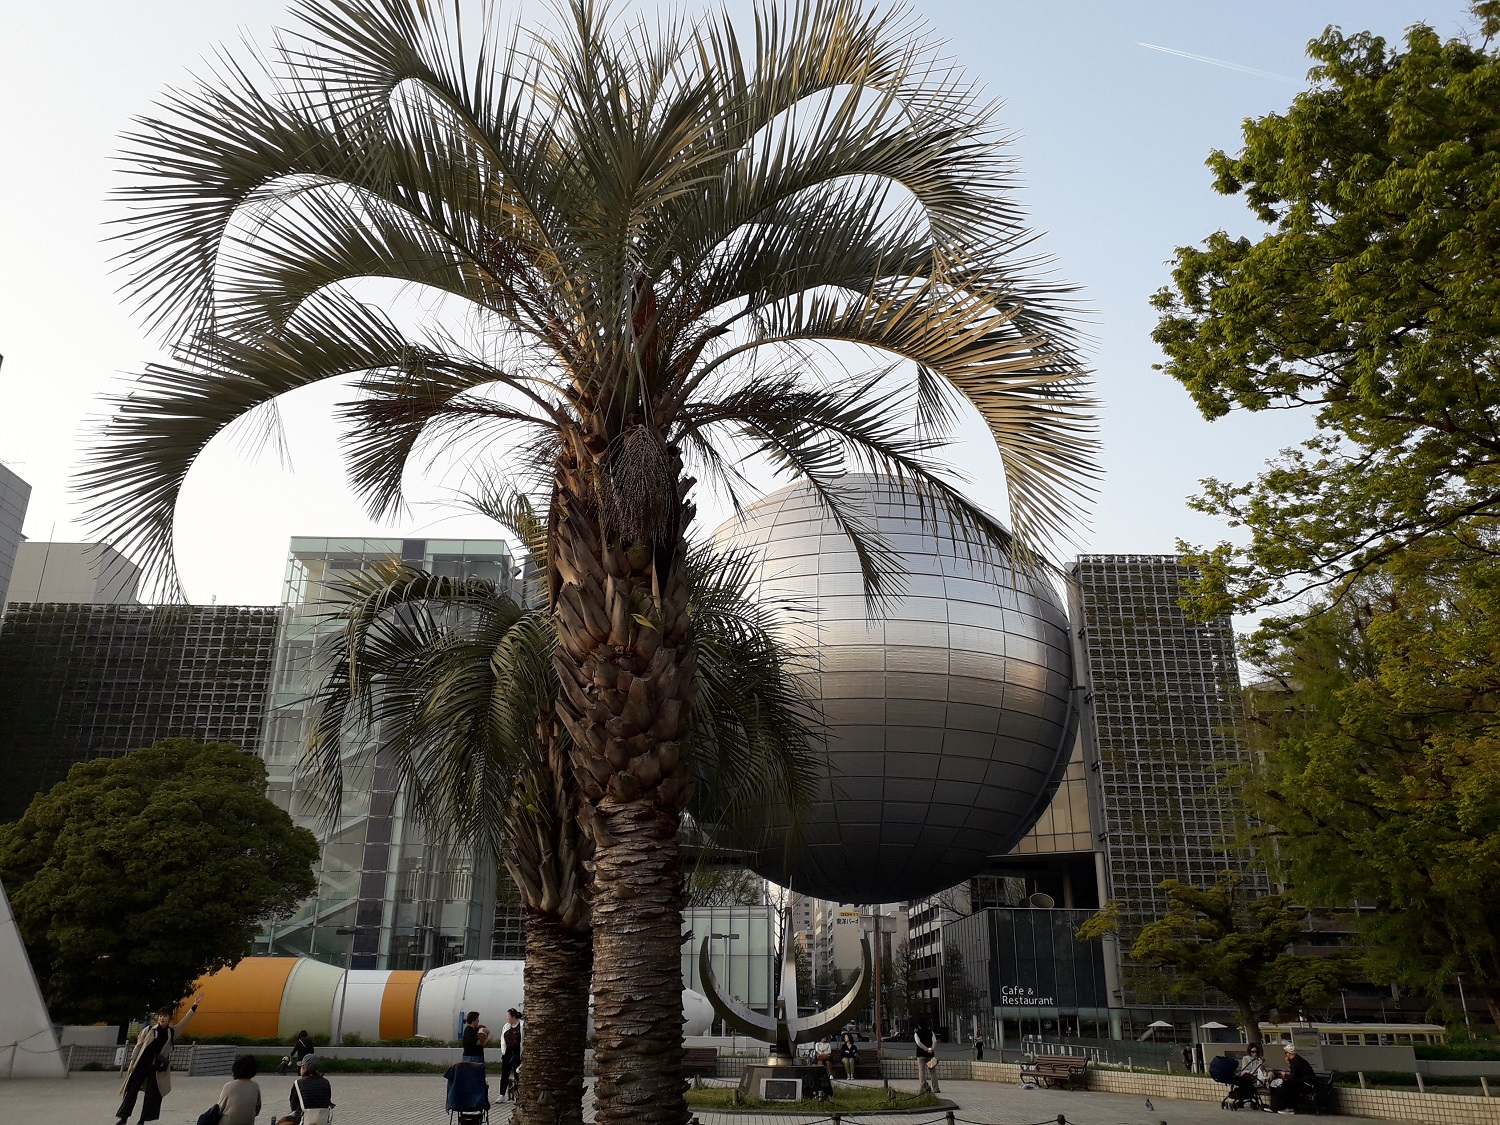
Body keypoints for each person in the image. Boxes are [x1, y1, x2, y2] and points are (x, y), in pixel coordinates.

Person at [115, 991, 201, 1125]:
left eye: (165, 1016)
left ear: (170, 1018)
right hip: (141, 1064)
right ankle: (124, 1117)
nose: (162, 1018)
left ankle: (142, 1120)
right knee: (131, 1091)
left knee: (152, 1095)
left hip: (156, 1067)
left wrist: (194, 1006)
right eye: (160, 1015)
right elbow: (138, 1046)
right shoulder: (149, 1030)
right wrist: (132, 1062)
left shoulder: (172, 1032)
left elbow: (184, 1022)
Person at [1268, 1043, 1316, 1114]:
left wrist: (1285, 1075)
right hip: (1303, 1083)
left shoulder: (1295, 1062)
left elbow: (1292, 1078)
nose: (1285, 1055)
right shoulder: (1296, 1060)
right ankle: (1277, 1106)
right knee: (1284, 1085)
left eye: (1285, 1053)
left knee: (1286, 1085)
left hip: (1307, 1085)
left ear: (1289, 1054)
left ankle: (1287, 1107)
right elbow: (1295, 1075)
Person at [217, 1054, 263, 1125]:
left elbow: (219, 1108)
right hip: (249, 1121)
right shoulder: (255, 1086)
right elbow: (257, 1108)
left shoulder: (229, 1086)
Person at [288, 1054, 334, 1123]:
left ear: (304, 1068)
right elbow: (328, 1100)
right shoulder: (325, 1082)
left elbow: (293, 1104)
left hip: (304, 1119)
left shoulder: (298, 1083)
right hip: (322, 1119)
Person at [497, 1008, 523, 1101]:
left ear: (513, 1016)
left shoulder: (522, 1025)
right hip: (507, 1053)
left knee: (517, 1074)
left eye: (508, 1016)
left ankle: (518, 1094)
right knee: (504, 1075)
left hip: (517, 1053)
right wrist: (503, 1051)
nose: (507, 1018)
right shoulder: (506, 1026)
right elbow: (502, 1039)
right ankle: (502, 1095)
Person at [914, 1022, 940, 1094]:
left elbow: (918, 1043)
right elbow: (934, 1041)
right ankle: (936, 1088)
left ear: (919, 1025)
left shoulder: (917, 1033)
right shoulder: (931, 1032)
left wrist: (926, 1049)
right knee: (932, 1071)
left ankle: (923, 1087)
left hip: (921, 1055)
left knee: (922, 1071)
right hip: (930, 1055)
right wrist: (931, 1049)